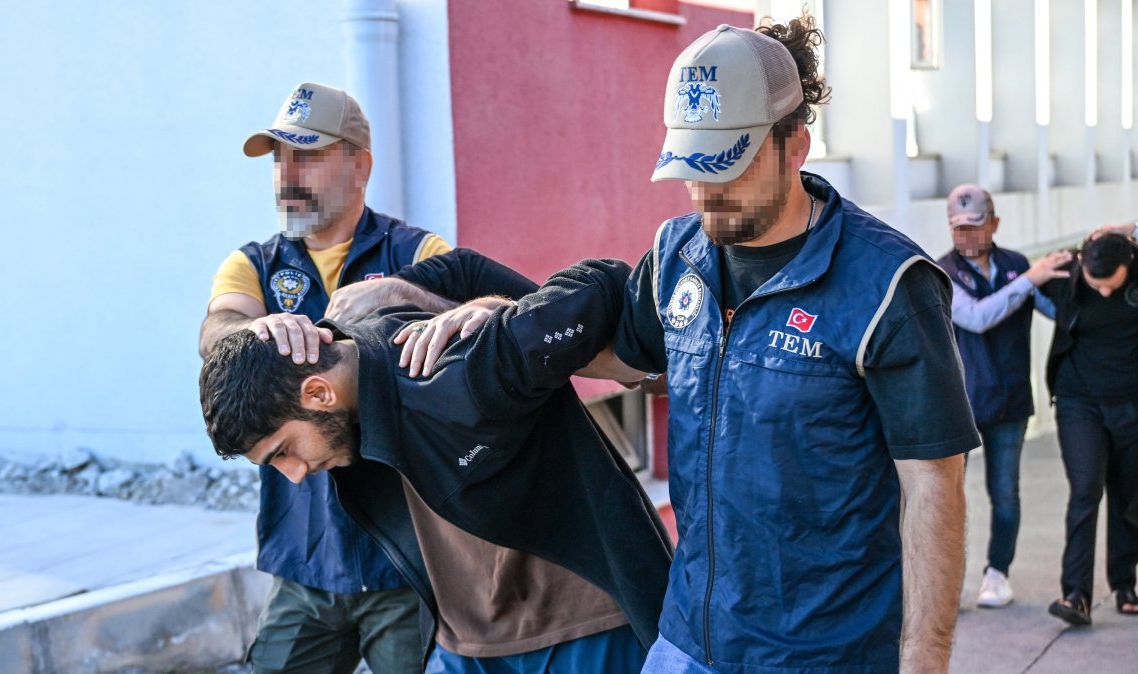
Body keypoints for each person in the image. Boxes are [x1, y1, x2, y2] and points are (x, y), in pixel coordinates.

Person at [593, 18, 977, 673]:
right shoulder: (677, 255)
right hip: (687, 642)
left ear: (794, 145)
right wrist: (499, 317)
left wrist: (925, 659)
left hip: (827, 655)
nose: (705, 192)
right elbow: (618, 357)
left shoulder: (887, 284)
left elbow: (934, 487)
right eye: (692, 167)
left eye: (728, 166)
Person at [199, 251, 674, 672]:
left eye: (283, 451)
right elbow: (459, 269)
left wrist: (508, 319)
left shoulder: (457, 368)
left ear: (319, 392)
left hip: (578, 630)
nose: (295, 474)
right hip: (461, 643)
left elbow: (600, 287)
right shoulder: (352, 359)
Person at [198, 82, 452, 673]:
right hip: (304, 562)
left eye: (306, 155)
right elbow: (217, 330)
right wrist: (252, 335)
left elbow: (467, 338)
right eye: (278, 158)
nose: (287, 173)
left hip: (406, 561)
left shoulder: (420, 252)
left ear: (359, 165)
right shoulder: (253, 264)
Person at [935, 184, 1070, 608]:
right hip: (961, 404)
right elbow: (976, 318)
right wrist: (1030, 282)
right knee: (947, 499)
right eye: (958, 229)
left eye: (974, 227)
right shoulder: (942, 273)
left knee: (1005, 492)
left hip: (1010, 401)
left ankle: (997, 573)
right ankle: (945, 582)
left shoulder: (1016, 264)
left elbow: (1058, 311)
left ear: (994, 223)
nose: (965, 237)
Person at [1039, 230, 1138, 625]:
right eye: (1098, 286)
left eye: (1112, 284)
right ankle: (1075, 594)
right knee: (1085, 492)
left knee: (1129, 497)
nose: (1105, 293)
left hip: (1132, 403)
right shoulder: (1068, 276)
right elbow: (1022, 286)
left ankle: (1124, 583)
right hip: (1079, 403)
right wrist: (1032, 276)